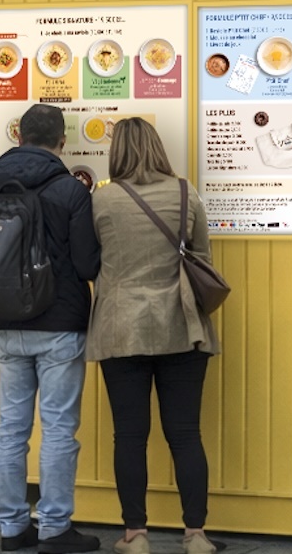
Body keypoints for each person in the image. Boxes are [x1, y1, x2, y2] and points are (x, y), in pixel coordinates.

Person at [0, 103, 101, 554]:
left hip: (5, 323)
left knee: (10, 429)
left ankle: (11, 527)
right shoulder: (71, 191)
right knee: (58, 429)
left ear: (18, 137)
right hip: (60, 326)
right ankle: (55, 528)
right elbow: (87, 264)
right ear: (62, 141)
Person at [88, 117, 221, 554]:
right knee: (185, 433)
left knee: (129, 435)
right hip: (182, 325)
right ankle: (196, 535)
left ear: (117, 152)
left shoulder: (102, 200)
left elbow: (89, 260)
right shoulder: (186, 192)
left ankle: (136, 534)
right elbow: (202, 257)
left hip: (121, 328)